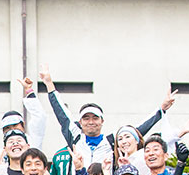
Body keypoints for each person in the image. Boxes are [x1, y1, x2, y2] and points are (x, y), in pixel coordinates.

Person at [40, 64, 174, 167]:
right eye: (86, 118)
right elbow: (61, 113)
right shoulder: (75, 137)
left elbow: (138, 130)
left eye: (95, 118)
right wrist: (49, 84)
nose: (91, 122)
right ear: (80, 122)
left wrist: (161, 109)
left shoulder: (111, 141)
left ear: (102, 121)